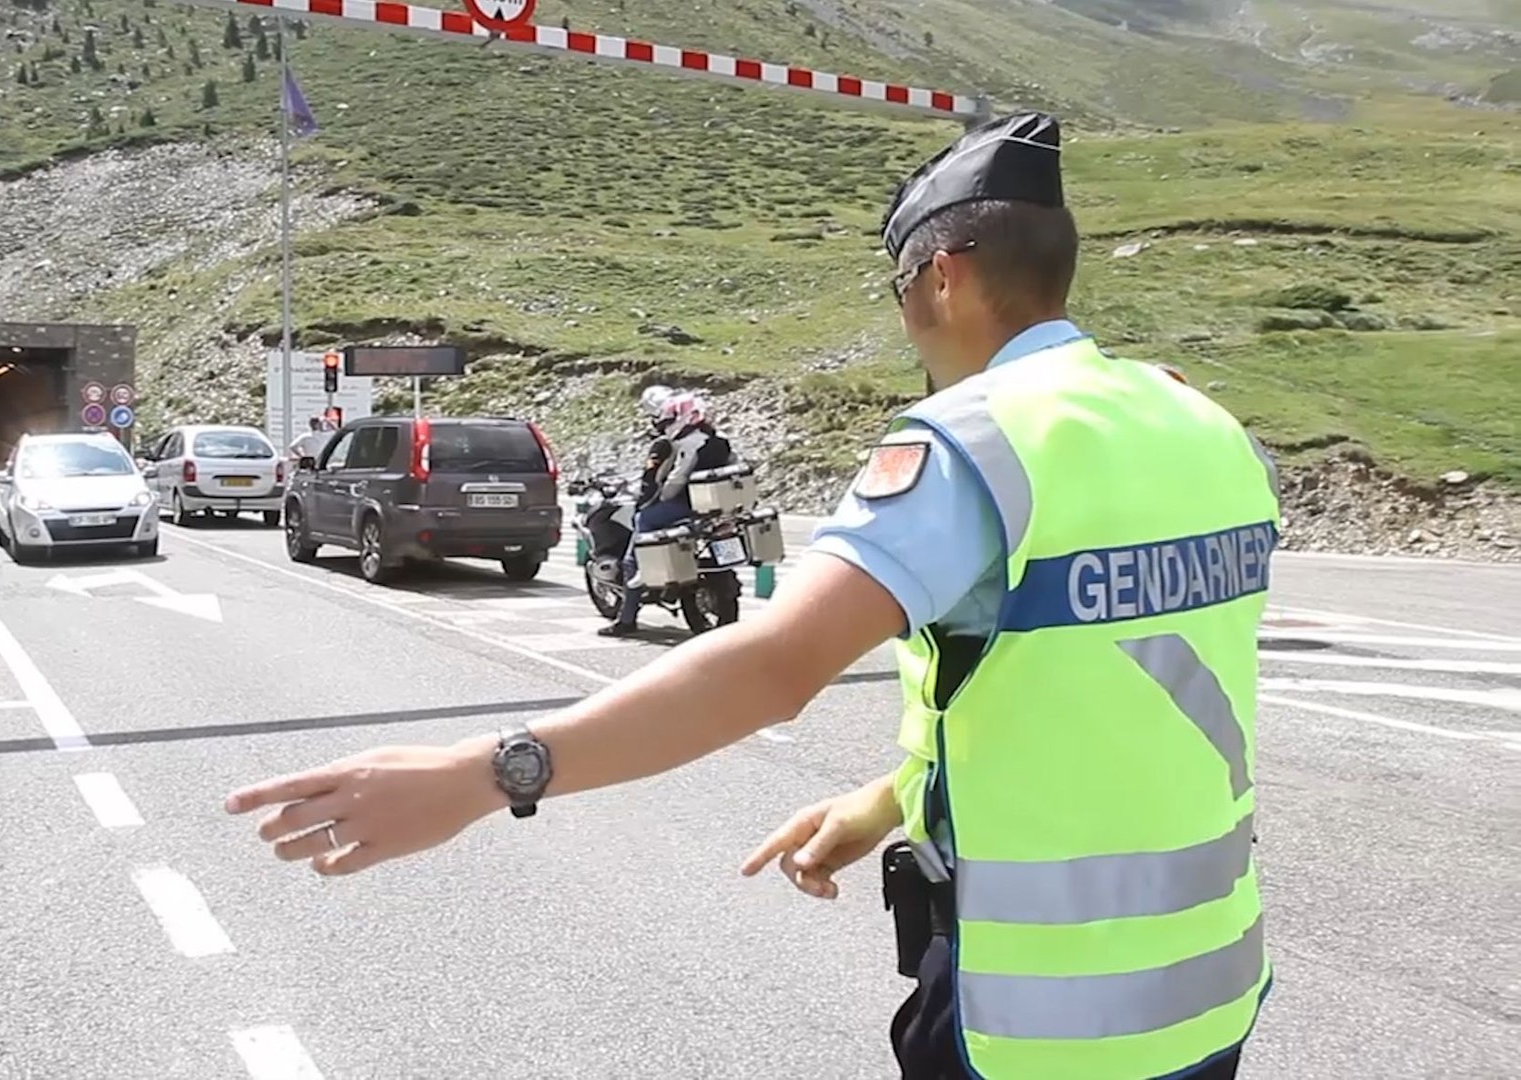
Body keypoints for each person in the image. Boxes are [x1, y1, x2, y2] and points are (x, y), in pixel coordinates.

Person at [223, 111, 1280, 1079]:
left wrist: (487, 773)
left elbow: (772, 669)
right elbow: (1099, 682)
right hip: (1205, 998)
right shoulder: (1198, 424)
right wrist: (888, 801)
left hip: (1042, 1030)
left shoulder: (978, 442)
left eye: (900, 288)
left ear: (945, 277)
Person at [598, 392, 734, 637]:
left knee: (640, 531)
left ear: (681, 418)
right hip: (720, 505)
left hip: (686, 505)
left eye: (667, 421)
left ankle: (626, 620)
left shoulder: (688, 443)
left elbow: (676, 479)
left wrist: (657, 498)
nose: (665, 426)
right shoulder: (719, 440)